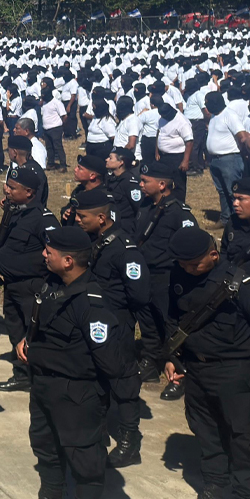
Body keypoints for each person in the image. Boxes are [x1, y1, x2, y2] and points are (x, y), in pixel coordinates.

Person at [7, 224, 135, 499]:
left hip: (77, 395)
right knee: (45, 449)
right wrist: (27, 342)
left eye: (50, 251)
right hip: (45, 387)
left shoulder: (91, 304)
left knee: (85, 460)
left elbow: (110, 362)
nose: (43, 254)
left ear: (68, 261)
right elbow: (43, 327)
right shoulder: (53, 286)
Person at [163, 226, 250, 499]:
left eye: (194, 264)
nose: (188, 269)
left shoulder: (239, 284)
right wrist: (173, 357)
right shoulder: (178, 274)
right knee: (207, 435)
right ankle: (214, 498)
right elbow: (174, 320)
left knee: (243, 443)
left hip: (235, 372)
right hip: (196, 370)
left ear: (213, 255)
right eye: (183, 264)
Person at [70, 188, 151, 466]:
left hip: (117, 325)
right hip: (96, 322)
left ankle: (129, 442)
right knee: (96, 378)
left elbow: (139, 295)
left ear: (101, 218)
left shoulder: (124, 249)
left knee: (124, 382)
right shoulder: (97, 241)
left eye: (83, 217)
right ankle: (99, 430)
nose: (78, 220)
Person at [0, 164, 54, 393]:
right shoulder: (14, 212)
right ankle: (22, 373)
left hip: (32, 286)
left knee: (32, 333)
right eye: (8, 186)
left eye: (13, 188)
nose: (7, 190)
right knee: (15, 329)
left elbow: (54, 252)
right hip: (12, 285)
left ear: (29, 192)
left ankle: (40, 377)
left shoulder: (42, 218)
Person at [134, 160, 198, 395]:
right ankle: (151, 362)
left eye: (145, 181)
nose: (140, 184)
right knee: (148, 321)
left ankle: (179, 372)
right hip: (144, 274)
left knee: (170, 324)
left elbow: (192, 244)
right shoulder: (145, 206)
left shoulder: (179, 213)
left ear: (162, 184)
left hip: (167, 276)